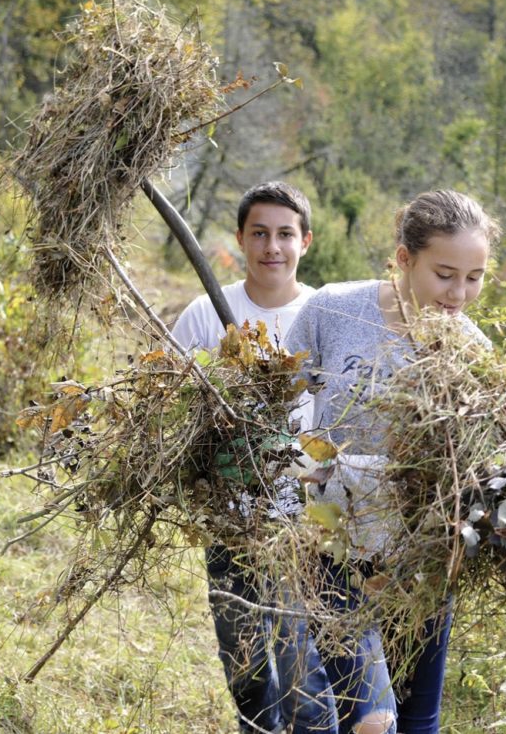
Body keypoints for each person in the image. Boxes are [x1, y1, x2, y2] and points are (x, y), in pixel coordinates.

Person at [282, 189, 501, 734]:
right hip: (332, 539)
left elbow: (479, 461)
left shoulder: (470, 351)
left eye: (474, 277)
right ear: (405, 259)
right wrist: (299, 467)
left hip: (421, 559)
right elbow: (273, 402)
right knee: (373, 717)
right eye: (445, 274)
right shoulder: (333, 308)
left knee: (416, 720)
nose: (459, 294)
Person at [171, 180, 335, 734]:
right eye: (260, 233)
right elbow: (170, 405)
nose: (272, 247)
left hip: (305, 520)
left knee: (302, 665)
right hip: (229, 514)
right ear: (240, 239)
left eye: (285, 234)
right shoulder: (204, 313)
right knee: (243, 661)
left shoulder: (323, 314)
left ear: (305, 241)